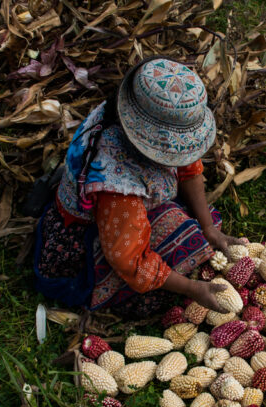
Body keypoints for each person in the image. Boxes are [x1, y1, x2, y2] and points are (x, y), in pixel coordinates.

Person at [33, 57, 243, 316]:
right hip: (89, 233)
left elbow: (188, 165)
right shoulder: (118, 188)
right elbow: (129, 262)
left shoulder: (129, 109)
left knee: (198, 227)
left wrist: (208, 227)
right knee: (183, 248)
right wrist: (192, 288)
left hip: (118, 209)